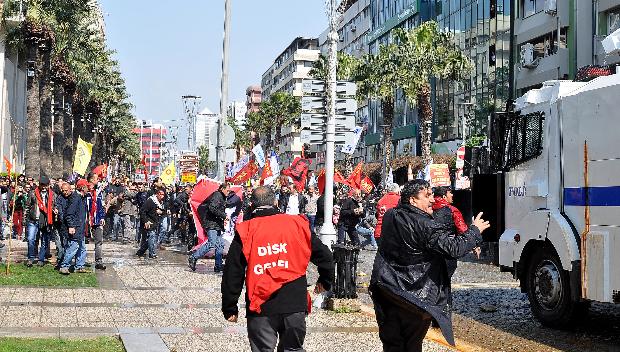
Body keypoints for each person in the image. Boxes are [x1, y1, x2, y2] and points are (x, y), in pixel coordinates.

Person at [369, 180, 490, 351]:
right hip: (414, 296)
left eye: (432, 195)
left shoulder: (391, 215)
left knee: (392, 343)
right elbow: (454, 249)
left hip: (386, 288)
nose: (432, 200)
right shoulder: (425, 224)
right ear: (412, 200)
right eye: (427, 196)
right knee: (411, 343)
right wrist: (474, 231)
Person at [221, 186, 334, 352]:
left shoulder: (247, 230)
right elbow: (325, 256)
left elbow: (233, 272)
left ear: (251, 205)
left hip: (261, 305)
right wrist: (325, 280)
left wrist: (230, 306)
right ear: (275, 202)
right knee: (293, 349)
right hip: (294, 303)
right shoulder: (297, 224)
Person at [188, 183, 229, 272]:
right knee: (212, 243)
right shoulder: (217, 195)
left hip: (216, 224)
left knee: (220, 244)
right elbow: (212, 208)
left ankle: (218, 265)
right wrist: (223, 215)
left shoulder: (221, 196)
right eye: (227, 190)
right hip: (211, 224)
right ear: (222, 189)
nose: (228, 192)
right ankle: (193, 257)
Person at [59, 179, 89, 275]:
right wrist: (71, 226)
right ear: (82, 188)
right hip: (75, 227)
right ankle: (64, 266)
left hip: (80, 227)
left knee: (82, 248)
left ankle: (79, 266)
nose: (88, 188)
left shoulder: (81, 197)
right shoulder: (75, 198)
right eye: (86, 187)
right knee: (73, 247)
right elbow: (69, 214)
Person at [25, 176, 55, 267]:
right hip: (33, 220)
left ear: (48, 185)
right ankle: (31, 258)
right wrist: (24, 219)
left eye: (45, 185)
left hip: (45, 220)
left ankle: (41, 259)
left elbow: (54, 206)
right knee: (31, 239)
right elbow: (27, 206)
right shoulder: (33, 193)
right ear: (39, 184)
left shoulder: (52, 194)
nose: (44, 187)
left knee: (44, 240)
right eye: (42, 185)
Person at [86, 172, 106, 270]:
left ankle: (99, 261)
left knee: (99, 242)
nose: (98, 180)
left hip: (97, 220)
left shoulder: (99, 192)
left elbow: (101, 206)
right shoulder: (84, 191)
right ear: (91, 180)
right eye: (96, 179)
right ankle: (78, 261)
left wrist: (102, 217)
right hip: (86, 221)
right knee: (80, 242)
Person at [374, 183, 400, 247]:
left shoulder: (380, 200)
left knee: (381, 255)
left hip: (379, 232)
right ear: (397, 191)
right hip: (392, 233)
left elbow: (377, 215)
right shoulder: (399, 200)